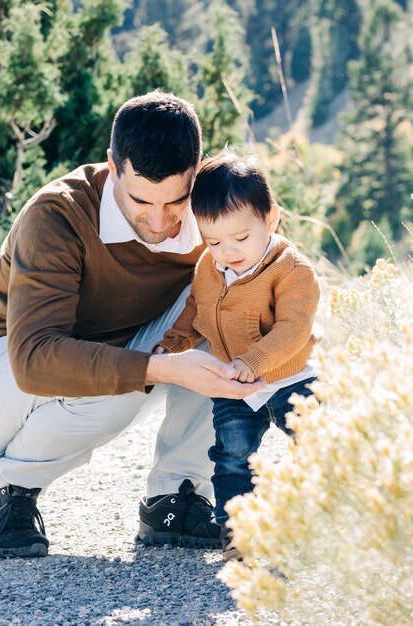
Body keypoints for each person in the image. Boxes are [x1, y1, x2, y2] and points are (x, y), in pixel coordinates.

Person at [0, 92, 264, 558]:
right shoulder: (57, 215)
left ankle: (175, 496)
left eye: (175, 201)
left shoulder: (211, 216)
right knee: (113, 392)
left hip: (109, 358)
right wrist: (160, 369)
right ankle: (8, 490)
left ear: (195, 173)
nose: (159, 220)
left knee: (232, 292)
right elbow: (34, 360)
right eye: (141, 200)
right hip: (11, 370)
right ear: (113, 167)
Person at [155, 150, 322, 561]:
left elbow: (293, 329)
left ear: (270, 219)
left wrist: (254, 361)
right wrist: (173, 344)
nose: (228, 251)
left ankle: (333, 522)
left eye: (241, 238)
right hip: (234, 387)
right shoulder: (209, 268)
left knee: (317, 446)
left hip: (290, 380)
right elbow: (195, 311)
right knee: (231, 459)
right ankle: (238, 532)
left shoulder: (292, 271)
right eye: (213, 241)